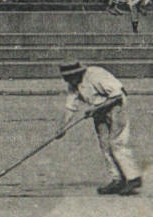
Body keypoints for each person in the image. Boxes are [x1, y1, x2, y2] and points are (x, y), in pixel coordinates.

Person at [59, 61, 143, 196]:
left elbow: (117, 95)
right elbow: (70, 107)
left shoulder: (96, 75)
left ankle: (133, 178)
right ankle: (117, 179)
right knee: (105, 145)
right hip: (98, 111)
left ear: (78, 73)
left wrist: (96, 109)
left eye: (70, 77)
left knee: (116, 143)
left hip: (116, 107)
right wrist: (62, 127)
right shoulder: (73, 84)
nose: (68, 81)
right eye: (66, 78)